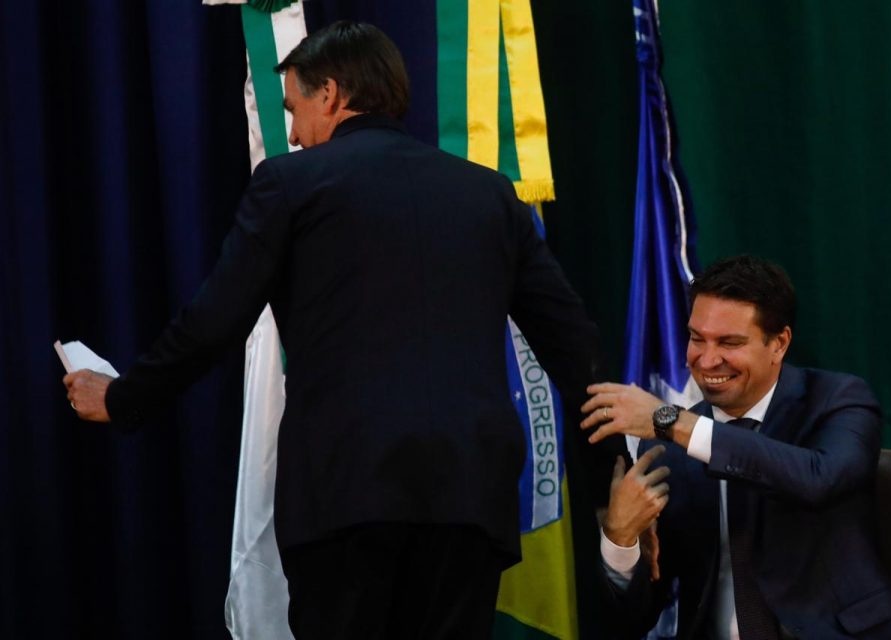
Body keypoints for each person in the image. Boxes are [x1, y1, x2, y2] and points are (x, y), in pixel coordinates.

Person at [64, 21, 619, 640]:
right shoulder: (489, 195)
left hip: (345, 499)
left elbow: (212, 323)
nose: (293, 134)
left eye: (293, 110)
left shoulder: (289, 184)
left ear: (329, 93)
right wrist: (609, 480)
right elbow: (574, 346)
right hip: (469, 502)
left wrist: (123, 398)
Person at [580, 255, 891, 639]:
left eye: (730, 342)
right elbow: (633, 621)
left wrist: (673, 422)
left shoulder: (837, 401)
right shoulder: (671, 449)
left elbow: (817, 479)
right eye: (696, 338)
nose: (707, 360)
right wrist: (619, 540)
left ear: (779, 344)